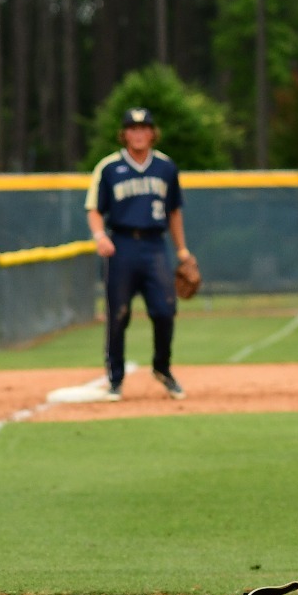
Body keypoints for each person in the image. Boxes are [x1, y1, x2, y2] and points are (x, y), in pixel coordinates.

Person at [86, 107, 193, 400]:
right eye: (132, 129)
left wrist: (182, 250)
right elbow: (94, 208)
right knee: (118, 315)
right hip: (121, 245)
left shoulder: (165, 167)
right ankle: (115, 379)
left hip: (154, 245)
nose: (138, 134)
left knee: (165, 310)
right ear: (124, 134)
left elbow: (174, 212)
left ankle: (162, 367)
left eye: (144, 128)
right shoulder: (109, 168)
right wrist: (99, 236)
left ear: (152, 133)